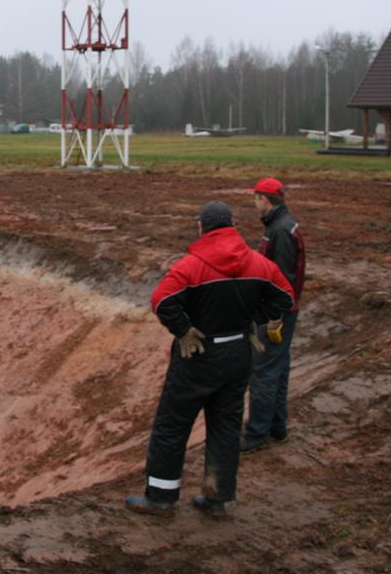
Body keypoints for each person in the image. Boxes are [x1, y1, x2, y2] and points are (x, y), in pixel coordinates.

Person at [126, 200, 295, 517]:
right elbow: (285, 297)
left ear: (202, 227)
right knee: (226, 425)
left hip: (198, 354)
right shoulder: (258, 263)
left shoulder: (192, 265)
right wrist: (254, 320)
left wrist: (184, 330)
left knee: (173, 425)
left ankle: (161, 497)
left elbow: (161, 300)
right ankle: (217, 497)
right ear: (231, 226)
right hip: (237, 354)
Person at [241, 177, 306, 454]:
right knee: (278, 370)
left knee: (264, 372)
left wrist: (274, 316)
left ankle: (256, 434)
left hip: (275, 314)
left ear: (265, 199)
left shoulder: (279, 232)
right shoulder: (282, 226)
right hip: (281, 311)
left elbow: (282, 278)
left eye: (255, 198)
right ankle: (277, 427)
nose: (254, 203)